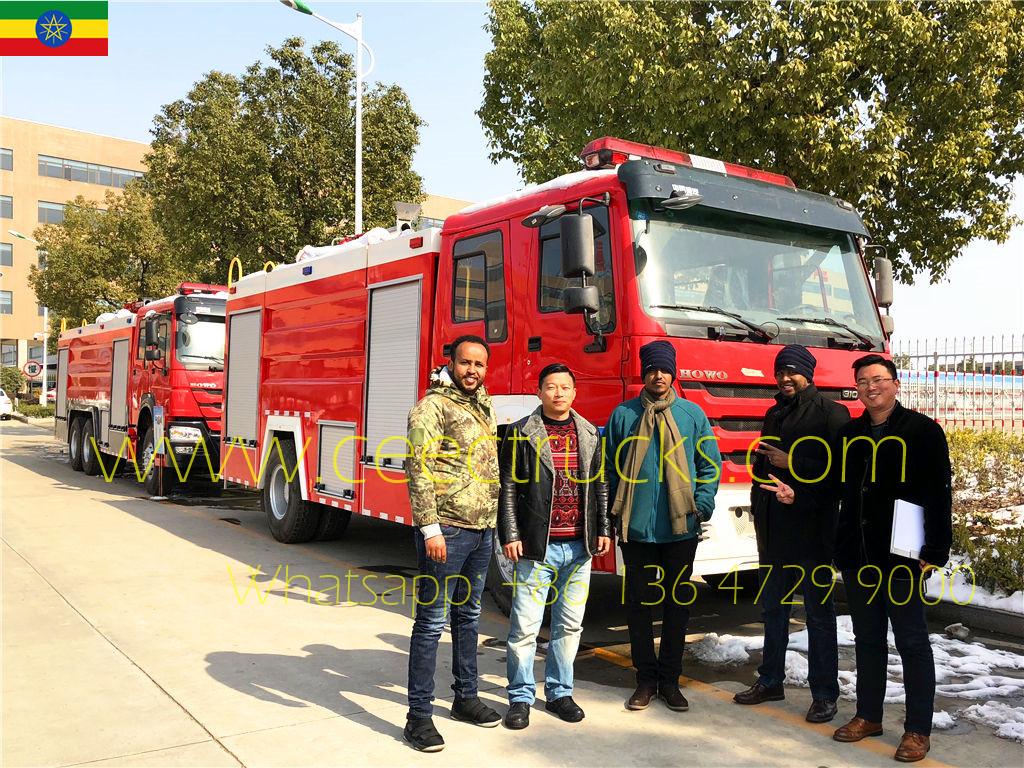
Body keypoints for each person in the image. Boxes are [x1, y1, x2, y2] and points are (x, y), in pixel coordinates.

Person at [762, 354, 952, 763]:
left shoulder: (922, 431)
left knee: (912, 641)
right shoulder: (850, 433)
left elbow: (939, 494)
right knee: (867, 639)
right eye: (862, 381)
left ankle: (917, 729)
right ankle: (868, 715)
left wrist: (935, 550)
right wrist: (798, 494)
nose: (870, 387)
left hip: (902, 556)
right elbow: (833, 486)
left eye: (878, 380)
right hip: (857, 556)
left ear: (896, 384)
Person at [603, 340, 721, 712]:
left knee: (677, 605)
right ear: (644, 373)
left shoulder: (691, 415)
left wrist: (701, 505)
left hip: (680, 528)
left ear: (674, 373)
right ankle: (645, 680)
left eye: (664, 369)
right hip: (636, 529)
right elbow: (607, 469)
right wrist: (610, 514)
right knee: (639, 606)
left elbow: (709, 465)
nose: (658, 375)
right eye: (652, 369)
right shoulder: (623, 415)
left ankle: (670, 680)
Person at [734, 345, 849, 723]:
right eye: (780, 371)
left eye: (792, 372)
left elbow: (841, 475)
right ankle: (770, 681)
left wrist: (792, 464)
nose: (785, 378)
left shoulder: (833, 414)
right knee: (773, 611)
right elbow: (764, 463)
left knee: (818, 616)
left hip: (813, 533)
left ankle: (824, 694)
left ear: (808, 373)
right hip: (774, 532)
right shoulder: (774, 412)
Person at [498, 362, 611, 730]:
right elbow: (509, 487)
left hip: (579, 549)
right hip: (537, 548)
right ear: (540, 392)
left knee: (569, 626)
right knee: (525, 628)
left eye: (565, 387)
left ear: (574, 392)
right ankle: (520, 697)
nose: (558, 393)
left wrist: (603, 527)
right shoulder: (520, 433)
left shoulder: (590, 433)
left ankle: (561, 692)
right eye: (551, 386)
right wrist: (511, 534)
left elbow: (601, 486)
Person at [404, 335, 502, 752]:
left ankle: (465, 698)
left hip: (482, 531)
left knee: (469, 618)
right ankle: (418, 717)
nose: (473, 371)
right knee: (431, 623)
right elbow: (418, 467)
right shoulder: (432, 406)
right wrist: (430, 529)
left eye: (480, 364)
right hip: (447, 531)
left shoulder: (483, 403)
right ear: (451, 362)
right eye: (466, 363)